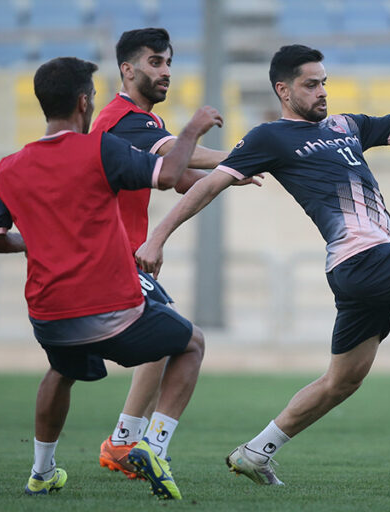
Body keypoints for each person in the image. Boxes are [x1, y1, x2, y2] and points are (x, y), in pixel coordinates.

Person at [135, 44, 390, 486]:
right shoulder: (269, 137)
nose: (322, 92)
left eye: (324, 83)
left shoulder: (346, 125)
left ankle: (256, 453)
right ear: (283, 89)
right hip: (362, 260)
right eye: (311, 84)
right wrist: (157, 237)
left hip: (358, 271)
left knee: (341, 382)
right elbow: (208, 188)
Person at [0, 56, 222, 499]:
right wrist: (194, 129)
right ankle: (152, 446)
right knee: (190, 343)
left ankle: (42, 470)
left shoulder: (9, 166)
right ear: (84, 103)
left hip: (49, 315)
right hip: (113, 308)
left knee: (60, 369)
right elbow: (167, 176)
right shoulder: (100, 148)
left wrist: (33, 241)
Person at [91, 28, 257, 479]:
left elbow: (181, 178)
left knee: (163, 341)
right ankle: (145, 446)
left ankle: (124, 442)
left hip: (118, 255)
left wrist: (229, 174)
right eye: (155, 63)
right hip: (110, 256)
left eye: (168, 63)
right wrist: (249, 156)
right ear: (127, 70)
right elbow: (186, 160)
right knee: (187, 340)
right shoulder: (125, 119)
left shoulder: (139, 124)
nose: (165, 72)